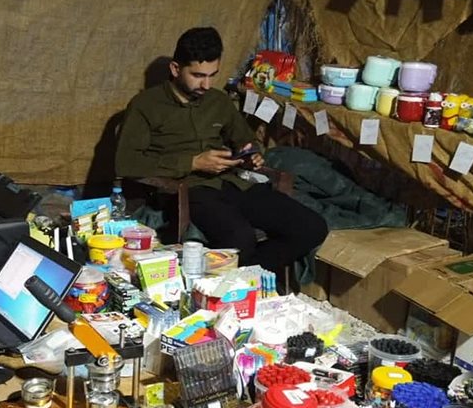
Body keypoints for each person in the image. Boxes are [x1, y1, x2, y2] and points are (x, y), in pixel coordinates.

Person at [115, 27, 328, 278]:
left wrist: (250, 153)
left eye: (212, 76)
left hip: (233, 183)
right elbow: (126, 162)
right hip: (187, 190)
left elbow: (244, 140)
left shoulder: (218, 101)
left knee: (312, 227)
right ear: (175, 69)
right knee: (240, 239)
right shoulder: (146, 106)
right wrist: (192, 163)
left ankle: (248, 277)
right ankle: (242, 282)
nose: (206, 85)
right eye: (197, 75)